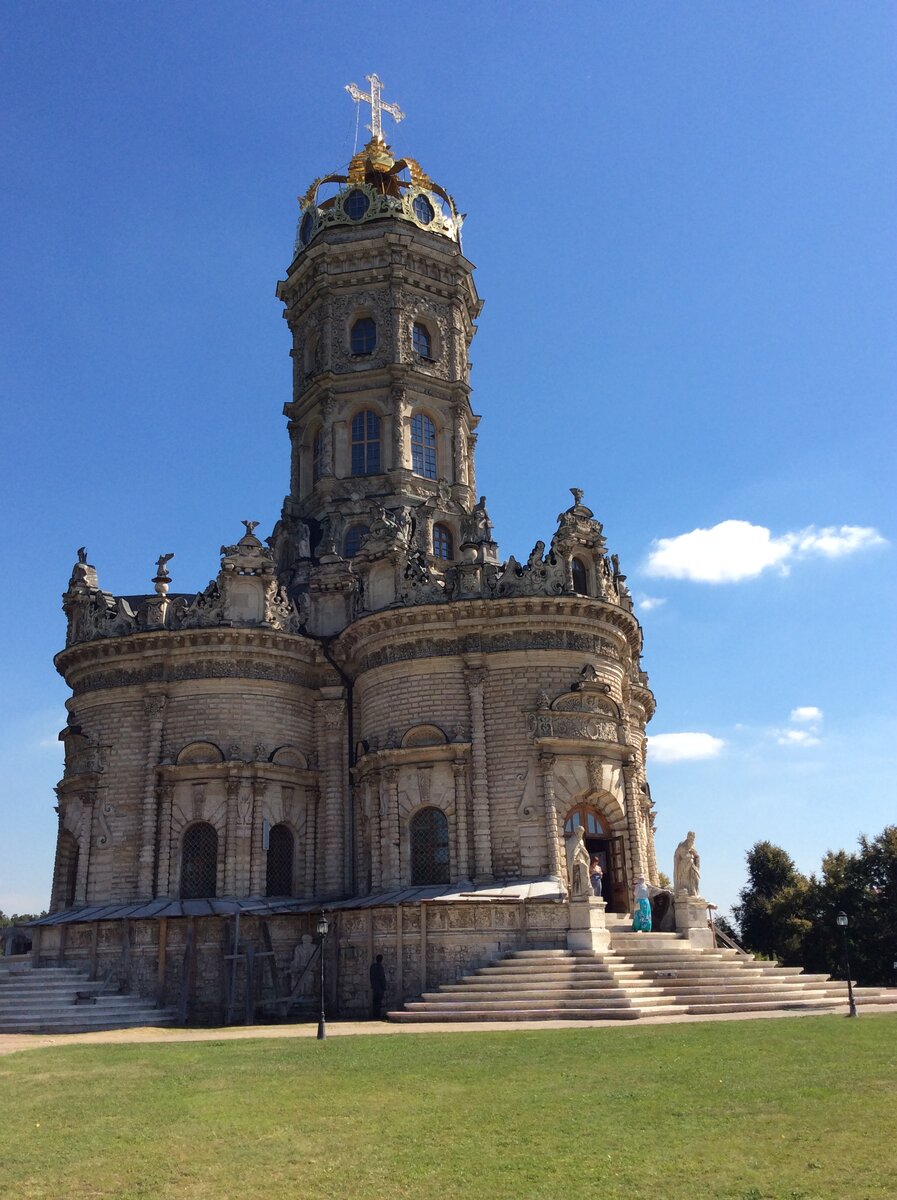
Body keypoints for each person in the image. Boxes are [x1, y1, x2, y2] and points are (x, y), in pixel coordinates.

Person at [369, 954, 387, 1020]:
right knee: (378, 1002)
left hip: (374, 987)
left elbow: (371, 976)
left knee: (375, 1001)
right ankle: (377, 1015)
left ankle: (374, 1015)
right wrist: (384, 986)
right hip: (379, 987)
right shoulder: (380, 967)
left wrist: (372, 985)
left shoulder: (372, 967)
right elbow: (382, 977)